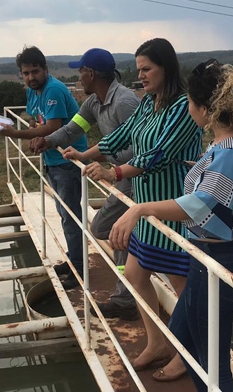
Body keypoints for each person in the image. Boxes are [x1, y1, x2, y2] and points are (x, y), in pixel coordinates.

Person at [108, 60, 233, 392]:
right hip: (228, 256)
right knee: (184, 337)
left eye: (190, 102)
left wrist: (141, 209)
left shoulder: (227, 151)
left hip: (218, 261)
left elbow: (201, 204)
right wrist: (205, 171)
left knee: (209, 363)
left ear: (204, 109)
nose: (188, 109)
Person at [63, 38, 202, 370]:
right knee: (136, 276)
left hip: (173, 211)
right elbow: (121, 135)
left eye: (147, 69)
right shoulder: (148, 102)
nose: (141, 75)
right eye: (138, 69)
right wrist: (85, 155)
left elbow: (158, 154)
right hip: (147, 208)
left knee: (183, 288)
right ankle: (157, 343)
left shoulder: (182, 106)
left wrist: (115, 172)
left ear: (165, 68)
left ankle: (188, 354)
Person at [29, 48, 140, 320]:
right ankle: (128, 289)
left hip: (136, 177)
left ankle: (128, 294)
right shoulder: (93, 103)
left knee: (110, 229)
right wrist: (50, 141)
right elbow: (73, 129)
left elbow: (140, 147)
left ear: (91, 73)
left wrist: (108, 167)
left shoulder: (124, 102)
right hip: (120, 176)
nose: (79, 76)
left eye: (81, 71)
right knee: (111, 231)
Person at [0, 46, 88, 281]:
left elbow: (53, 126)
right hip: (52, 159)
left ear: (45, 69)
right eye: (25, 73)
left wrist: (14, 134)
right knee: (64, 213)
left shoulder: (53, 90)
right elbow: (38, 121)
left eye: (35, 71)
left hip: (68, 158)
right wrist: (34, 133)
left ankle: (77, 267)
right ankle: (73, 260)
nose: (30, 77)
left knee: (70, 215)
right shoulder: (33, 91)